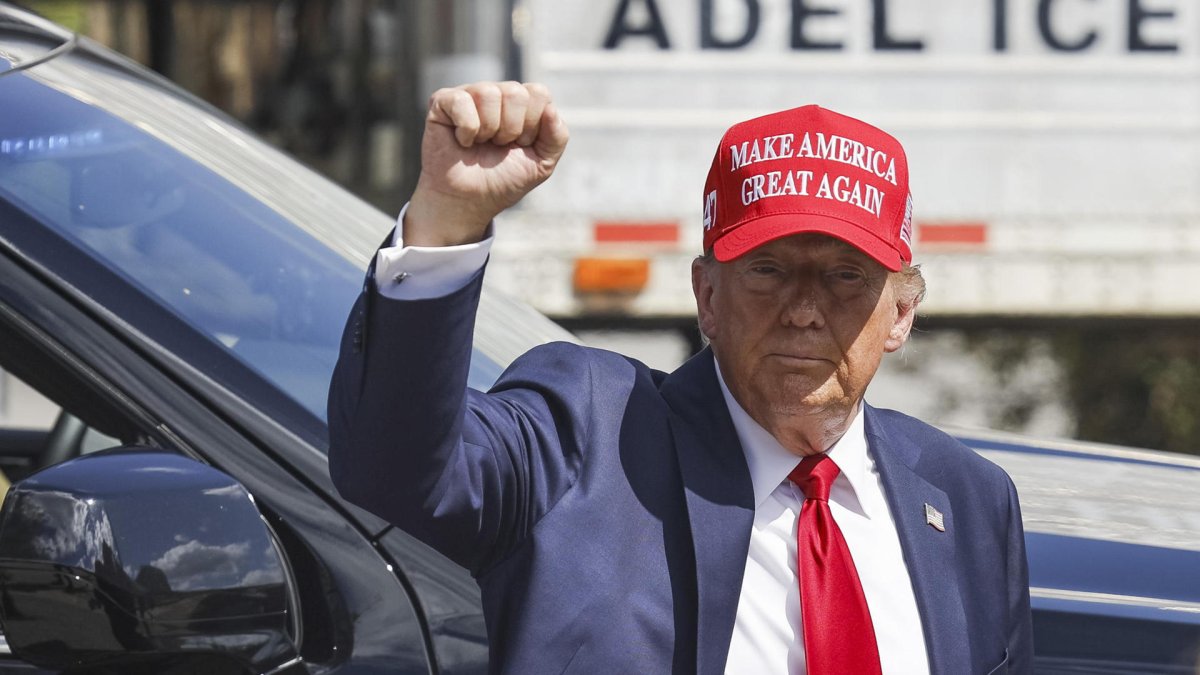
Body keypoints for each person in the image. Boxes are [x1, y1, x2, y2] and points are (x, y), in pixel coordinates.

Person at [328, 81, 1033, 674]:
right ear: (708, 298)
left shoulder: (969, 500)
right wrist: (446, 222)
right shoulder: (589, 434)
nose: (804, 311)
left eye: (847, 277)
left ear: (903, 313)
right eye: (768, 270)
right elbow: (394, 466)